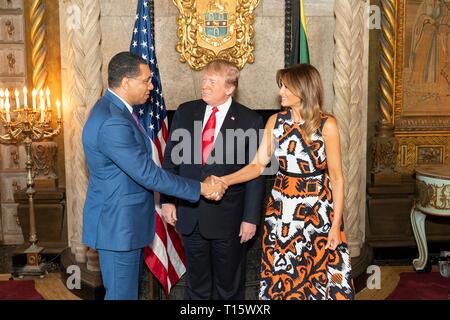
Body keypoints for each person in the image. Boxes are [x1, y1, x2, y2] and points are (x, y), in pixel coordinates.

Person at [82, 52, 226, 300]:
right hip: (118, 226)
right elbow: (147, 174)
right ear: (126, 82)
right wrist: (200, 189)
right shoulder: (113, 121)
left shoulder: (112, 109)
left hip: (122, 224)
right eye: (146, 80)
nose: (151, 86)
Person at [218, 64, 355, 300]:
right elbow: (257, 166)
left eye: (286, 87)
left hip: (318, 212)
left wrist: (336, 225)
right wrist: (223, 180)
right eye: (280, 86)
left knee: (316, 274)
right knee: (282, 275)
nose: (280, 92)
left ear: (303, 89)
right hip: (282, 211)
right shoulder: (275, 121)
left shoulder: (327, 124)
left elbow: (337, 177)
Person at [161, 59, 265, 300]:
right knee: (196, 286)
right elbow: (170, 162)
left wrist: (250, 219)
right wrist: (167, 200)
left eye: (211, 82)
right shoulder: (185, 112)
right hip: (190, 217)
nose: (204, 86)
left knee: (228, 288)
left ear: (229, 88)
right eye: (204, 79)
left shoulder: (250, 120)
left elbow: (256, 175)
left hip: (229, 221)